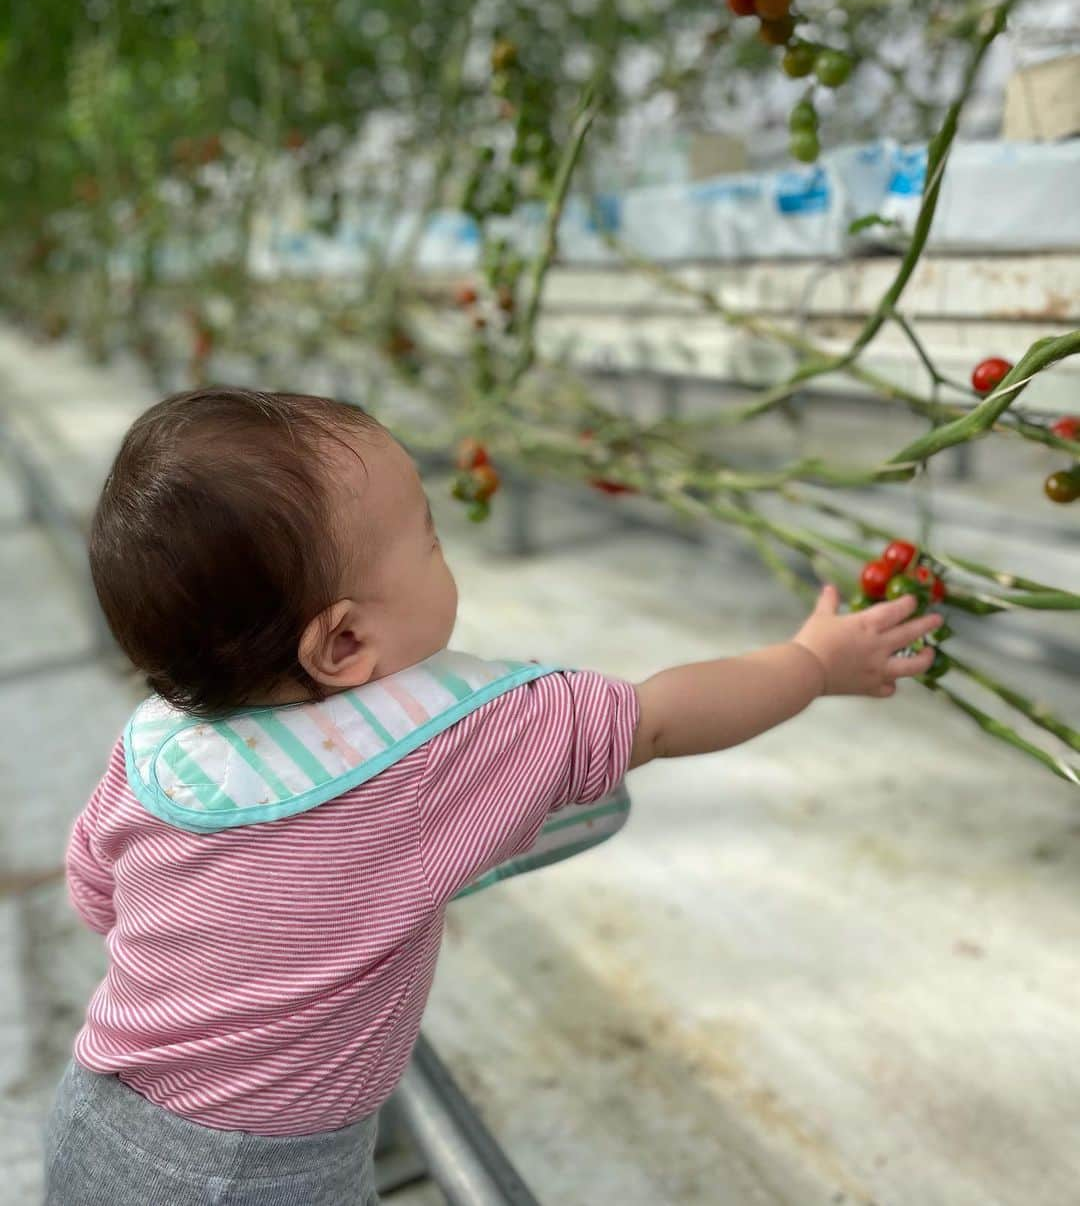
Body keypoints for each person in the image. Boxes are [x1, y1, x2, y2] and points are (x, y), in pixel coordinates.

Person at [45, 388, 940, 1205]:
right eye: (431, 536)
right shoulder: (456, 739)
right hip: (269, 1181)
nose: (446, 547)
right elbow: (664, 717)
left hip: (97, 1116)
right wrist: (815, 663)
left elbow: (95, 888)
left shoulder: (161, 746)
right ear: (345, 640)